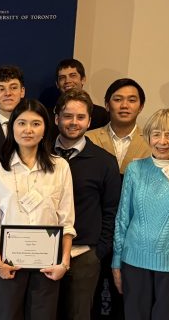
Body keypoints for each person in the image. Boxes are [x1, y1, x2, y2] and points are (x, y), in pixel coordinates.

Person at [0, 99, 75, 319]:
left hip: (48, 267)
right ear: (12, 127)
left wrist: (64, 262)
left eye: (36, 123)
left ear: (45, 128)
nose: (28, 130)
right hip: (6, 264)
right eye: (22, 123)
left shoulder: (60, 167)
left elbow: (66, 219)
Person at [111, 108, 169, 320]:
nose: (162, 141)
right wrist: (116, 262)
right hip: (134, 262)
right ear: (148, 136)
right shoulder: (135, 169)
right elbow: (122, 219)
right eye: (156, 134)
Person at [52, 90, 121, 320]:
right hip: (43, 252)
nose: (73, 122)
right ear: (56, 118)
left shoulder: (104, 162)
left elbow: (112, 211)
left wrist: (98, 252)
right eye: (67, 116)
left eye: (80, 117)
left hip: (83, 255)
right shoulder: (40, 154)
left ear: (89, 121)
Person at [87, 78, 150, 175]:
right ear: (107, 105)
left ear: (141, 107)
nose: (124, 105)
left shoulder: (151, 142)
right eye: (118, 99)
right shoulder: (88, 138)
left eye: (132, 100)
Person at [54, 59, 109, 130]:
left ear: (83, 79)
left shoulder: (101, 115)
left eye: (73, 76)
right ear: (57, 84)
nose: (67, 81)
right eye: (62, 78)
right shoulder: (48, 114)